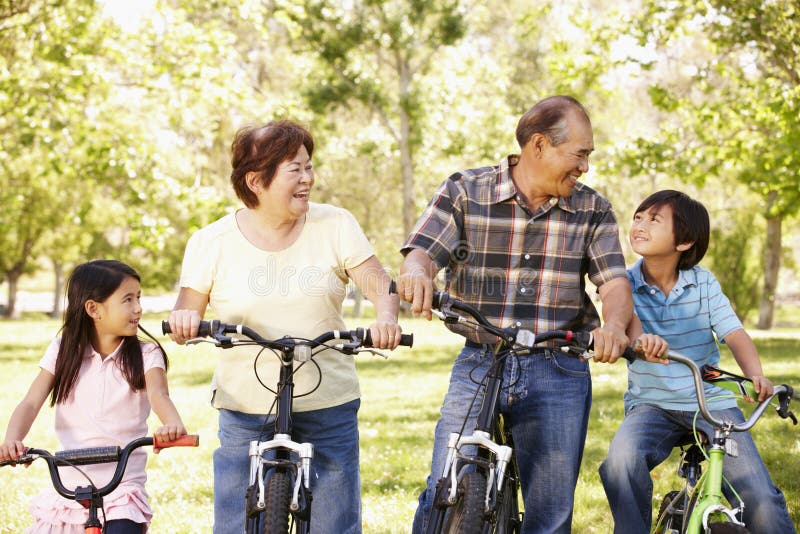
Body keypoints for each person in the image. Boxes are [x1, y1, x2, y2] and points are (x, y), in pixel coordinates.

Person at [398, 95, 634, 533]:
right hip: (480, 358)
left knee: (550, 510)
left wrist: (615, 326)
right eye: (580, 154)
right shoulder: (465, 190)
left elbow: (614, 283)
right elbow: (423, 252)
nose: (584, 167)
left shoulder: (593, 208)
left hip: (558, 366)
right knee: (443, 488)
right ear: (540, 145)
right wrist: (417, 273)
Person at [167, 119, 403, 534]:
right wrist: (186, 321)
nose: (308, 179)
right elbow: (186, 308)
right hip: (245, 406)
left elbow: (380, 286)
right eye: (295, 169)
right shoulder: (211, 241)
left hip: (326, 400)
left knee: (334, 525)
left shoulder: (335, 224)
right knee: (236, 525)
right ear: (256, 181)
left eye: (309, 167)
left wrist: (385, 319)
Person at [599, 190, 795, 533]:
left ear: (685, 241)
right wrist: (643, 341)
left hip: (711, 405)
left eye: (654, 220)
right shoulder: (624, 282)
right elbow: (631, 326)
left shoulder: (702, 283)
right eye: (638, 217)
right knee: (620, 463)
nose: (640, 225)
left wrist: (756, 376)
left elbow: (735, 334)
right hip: (651, 405)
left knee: (760, 499)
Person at [0, 260, 188, 534]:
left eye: (139, 297)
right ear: (93, 309)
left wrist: (172, 424)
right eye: (127, 299)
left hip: (122, 487)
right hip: (70, 485)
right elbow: (31, 401)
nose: (138, 308)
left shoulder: (146, 355)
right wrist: (12, 440)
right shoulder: (64, 350)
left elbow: (159, 395)